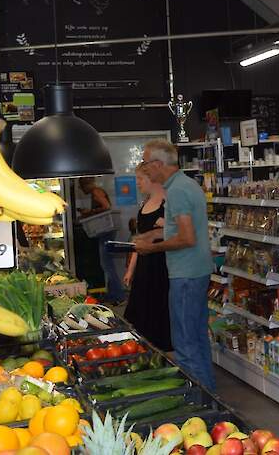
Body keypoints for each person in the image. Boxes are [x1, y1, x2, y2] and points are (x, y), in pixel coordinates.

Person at [133, 139, 216, 391]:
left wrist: (151, 248)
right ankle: (210, 394)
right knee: (198, 339)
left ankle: (199, 403)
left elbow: (186, 238)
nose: (145, 169)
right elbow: (179, 229)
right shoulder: (185, 185)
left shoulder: (177, 191)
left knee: (185, 345)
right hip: (197, 272)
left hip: (185, 275)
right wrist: (153, 235)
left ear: (158, 164)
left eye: (147, 163)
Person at [123, 163, 173, 351]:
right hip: (145, 267)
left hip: (162, 266)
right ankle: (145, 348)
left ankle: (164, 351)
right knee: (141, 310)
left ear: (152, 179)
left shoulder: (169, 203)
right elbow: (139, 242)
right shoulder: (144, 205)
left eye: (140, 179)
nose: (137, 183)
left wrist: (166, 226)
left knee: (160, 309)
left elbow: (181, 232)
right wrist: (130, 269)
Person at [78, 177, 126, 305]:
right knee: (107, 264)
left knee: (107, 265)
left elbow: (107, 206)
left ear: (86, 184)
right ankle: (113, 294)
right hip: (106, 231)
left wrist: (90, 212)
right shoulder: (97, 191)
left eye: (81, 187)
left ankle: (118, 295)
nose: (81, 190)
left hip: (105, 231)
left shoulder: (96, 192)